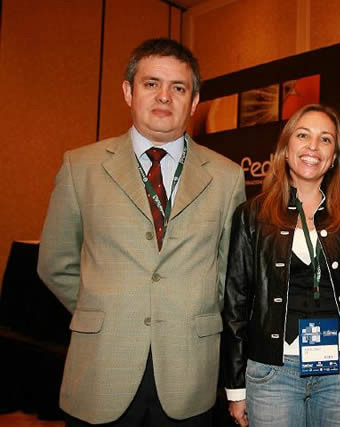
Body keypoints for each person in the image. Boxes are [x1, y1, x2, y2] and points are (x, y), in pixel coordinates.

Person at [37, 38, 246, 426]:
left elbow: (229, 272)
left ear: (194, 102)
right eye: (151, 84)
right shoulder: (80, 167)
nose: (164, 96)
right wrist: (104, 309)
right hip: (101, 370)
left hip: (189, 374)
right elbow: (55, 263)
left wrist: (191, 308)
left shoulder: (227, 177)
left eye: (178, 88)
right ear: (128, 91)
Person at [222, 104, 340, 427]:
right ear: (285, 148)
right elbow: (235, 303)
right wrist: (236, 388)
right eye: (303, 135)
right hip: (271, 375)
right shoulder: (251, 215)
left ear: (334, 157)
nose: (313, 146)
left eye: (325, 139)